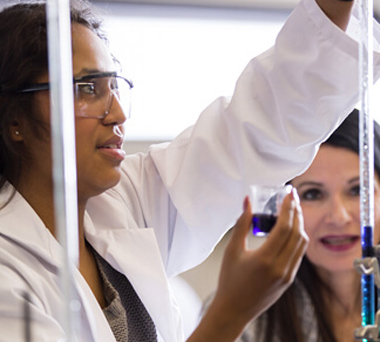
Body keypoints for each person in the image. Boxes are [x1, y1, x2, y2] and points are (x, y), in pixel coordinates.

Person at [0, 0, 372, 341]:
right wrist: (232, 311)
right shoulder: (8, 273)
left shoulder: (124, 203)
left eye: (114, 87)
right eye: (86, 89)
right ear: (14, 118)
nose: (117, 114)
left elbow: (259, 127)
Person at [234, 109, 380, 342]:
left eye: (357, 190)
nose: (339, 217)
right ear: (280, 205)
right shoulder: (243, 320)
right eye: (313, 194)